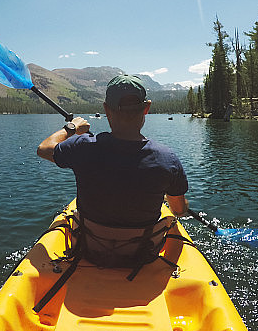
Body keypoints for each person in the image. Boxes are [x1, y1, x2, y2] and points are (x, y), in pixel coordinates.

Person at [37, 74, 189, 268]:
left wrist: (72, 127)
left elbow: (44, 149)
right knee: (171, 219)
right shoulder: (168, 159)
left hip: (91, 251)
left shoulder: (82, 147)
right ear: (147, 108)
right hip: (141, 255)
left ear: (106, 110)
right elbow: (178, 210)